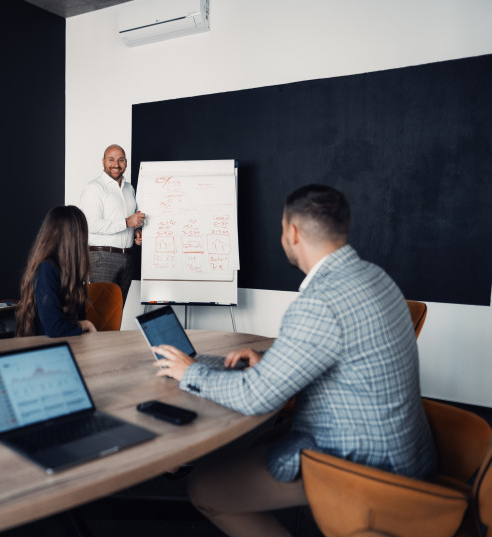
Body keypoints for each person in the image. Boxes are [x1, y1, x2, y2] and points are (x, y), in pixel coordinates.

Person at [152, 184, 436, 537]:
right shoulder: (375, 276)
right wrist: (270, 360)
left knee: (205, 486)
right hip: (407, 452)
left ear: (292, 232)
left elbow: (256, 398)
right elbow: (338, 349)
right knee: (257, 446)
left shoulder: (320, 301)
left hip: (367, 468)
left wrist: (190, 372)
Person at [16, 206, 97, 337]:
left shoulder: (71, 271)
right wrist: (86, 324)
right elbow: (55, 329)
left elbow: (76, 321)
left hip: (70, 344)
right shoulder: (46, 269)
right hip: (47, 350)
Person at [78, 144, 145, 302]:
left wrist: (136, 231)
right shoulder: (94, 188)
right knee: (99, 314)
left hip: (127, 258)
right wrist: (127, 222)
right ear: (103, 162)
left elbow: (131, 220)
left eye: (120, 160)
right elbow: (89, 224)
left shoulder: (130, 189)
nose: (116, 164)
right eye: (111, 160)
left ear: (126, 162)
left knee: (116, 314)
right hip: (101, 258)